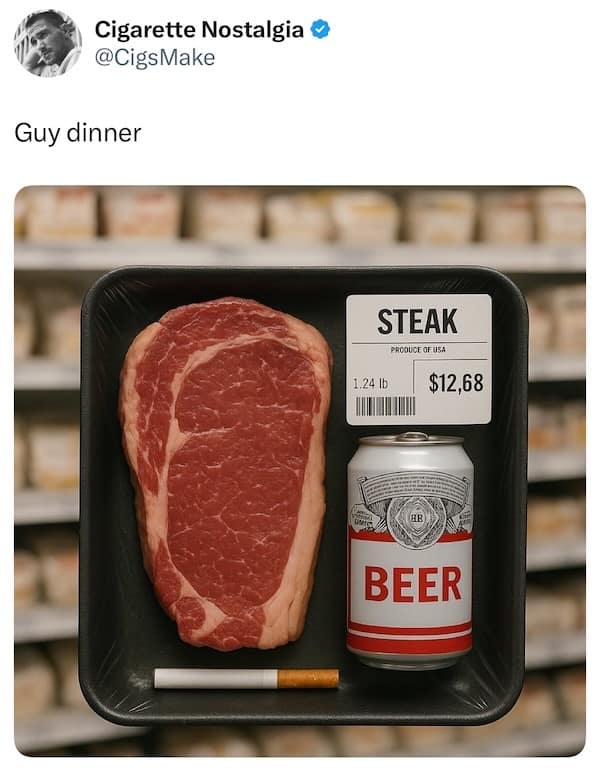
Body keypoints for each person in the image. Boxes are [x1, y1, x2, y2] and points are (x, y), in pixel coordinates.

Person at [23, 11, 81, 77]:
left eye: (43, 35)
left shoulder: (76, 57)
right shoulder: (57, 70)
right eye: (34, 41)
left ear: (65, 31)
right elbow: (27, 68)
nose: (39, 47)